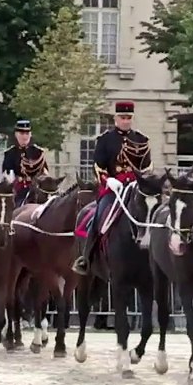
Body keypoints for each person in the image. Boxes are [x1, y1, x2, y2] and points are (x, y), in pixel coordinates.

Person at [72, 101, 152, 275]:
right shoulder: (105, 140)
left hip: (135, 188)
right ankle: (86, 257)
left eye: (128, 118)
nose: (125, 121)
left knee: (151, 213)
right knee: (99, 216)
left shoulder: (141, 140)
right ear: (116, 118)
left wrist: (141, 182)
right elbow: (98, 166)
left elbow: (147, 168)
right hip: (113, 189)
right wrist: (108, 181)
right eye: (122, 118)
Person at [1, 119, 49, 206]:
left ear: (30, 135)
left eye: (27, 134)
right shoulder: (10, 153)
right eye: (22, 133)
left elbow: (44, 173)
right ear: (16, 134)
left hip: (37, 189)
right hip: (18, 189)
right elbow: (8, 176)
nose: (25, 137)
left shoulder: (38, 152)